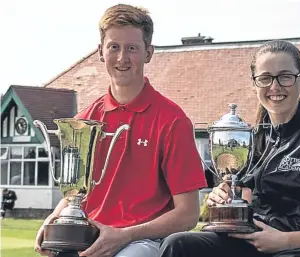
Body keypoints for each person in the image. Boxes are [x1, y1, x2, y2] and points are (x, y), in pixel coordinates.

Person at [158, 40, 300, 257]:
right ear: (254, 84)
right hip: (255, 243)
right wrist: (226, 199)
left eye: (285, 76)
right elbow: (247, 201)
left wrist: (285, 241)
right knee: (178, 244)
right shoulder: (254, 139)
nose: (275, 86)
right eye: (265, 78)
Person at [34, 4, 207, 257]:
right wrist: (52, 218)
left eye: (132, 48)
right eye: (114, 47)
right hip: (90, 239)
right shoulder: (85, 121)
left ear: (148, 53)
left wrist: (124, 235)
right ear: (101, 52)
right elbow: (76, 193)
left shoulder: (173, 121)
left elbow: (188, 214)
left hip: (145, 242)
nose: (122, 58)